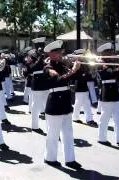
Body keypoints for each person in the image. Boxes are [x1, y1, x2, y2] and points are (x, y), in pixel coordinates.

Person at [43, 40, 81, 169]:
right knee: (53, 134)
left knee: (68, 134)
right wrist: (73, 70)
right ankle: (50, 158)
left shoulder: (63, 65)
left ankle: (70, 159)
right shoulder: (48, 68)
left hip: (65, 102)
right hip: (55, 103)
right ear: (52, 54)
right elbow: (58, 79)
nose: (61, 54)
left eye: (61, 52)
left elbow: (73, 77)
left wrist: (77, 67)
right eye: (58, 52)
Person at [96, 43, 119, 148]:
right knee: (105, 117)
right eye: (110, 52)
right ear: (104, 53)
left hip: (115, 91)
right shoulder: (100, 62)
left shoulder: (113, 62)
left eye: (112, 51)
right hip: (107, 91)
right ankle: (101, 138)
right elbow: (109, 74)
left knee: (118, 118)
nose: (113, 53)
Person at [71, 49, 98, 127]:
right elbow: (76, 75)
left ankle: (76, 117)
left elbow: (87, 74)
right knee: (83, 102)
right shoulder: (76, 63)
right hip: (79, 85)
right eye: (83, 55)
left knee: (80, 103)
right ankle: (89, 119)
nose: (84, 57)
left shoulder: (84, 63)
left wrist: (91, 73)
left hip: (84, 85)